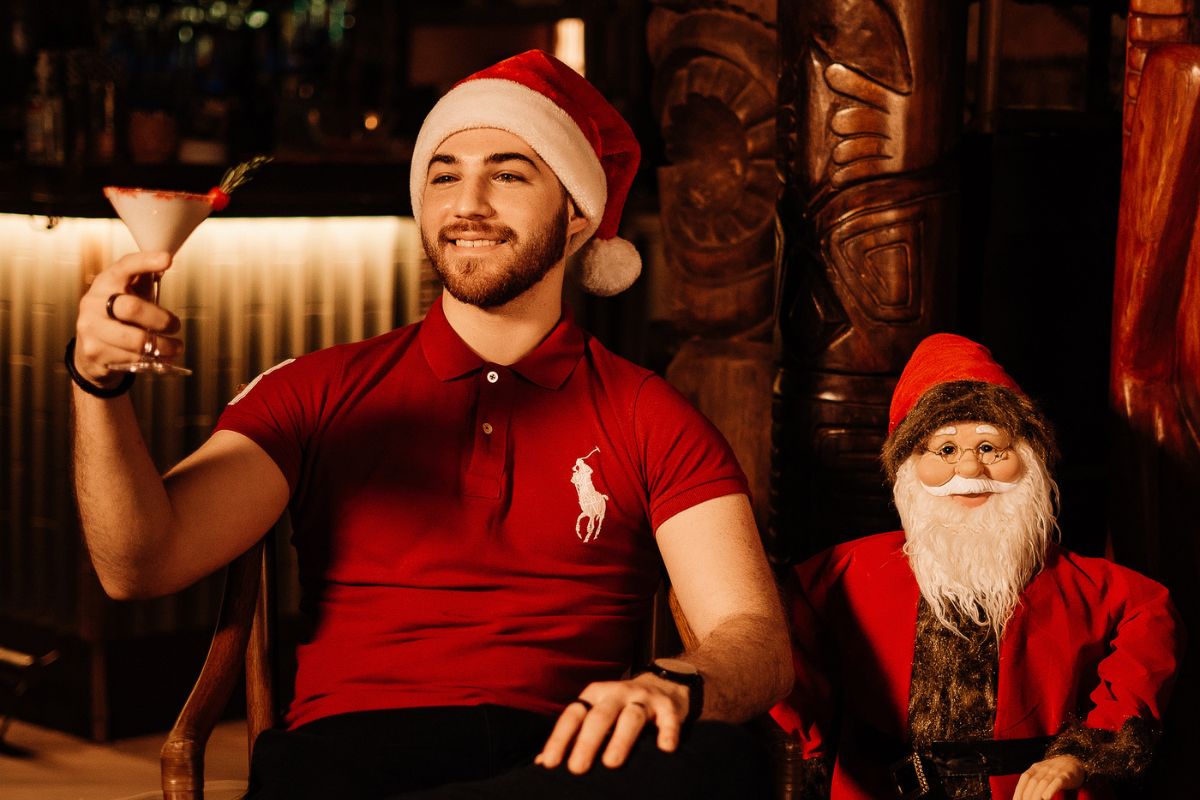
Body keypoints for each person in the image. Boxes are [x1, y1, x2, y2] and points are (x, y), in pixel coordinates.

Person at [68, 51, 792, 798]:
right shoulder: (318, 389)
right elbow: (139, 564)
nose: (466, 204)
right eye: (443, 175)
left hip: (563, 756)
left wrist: (673, 685)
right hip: (354, 752)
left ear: (578, 215)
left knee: (718, 762)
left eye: (508, 175)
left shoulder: (650, 413)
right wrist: (97, 384)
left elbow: (756, 640)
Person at [769, 333, 1184, 800]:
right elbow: (778, 645)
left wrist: (1081, 755)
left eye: (990, 447)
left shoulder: (1102, 590)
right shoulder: (844, 571)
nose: (969, 467)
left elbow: (1148, 640)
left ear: (1028, 458)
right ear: (910, 464)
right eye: (945, 450)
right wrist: (819, 743)